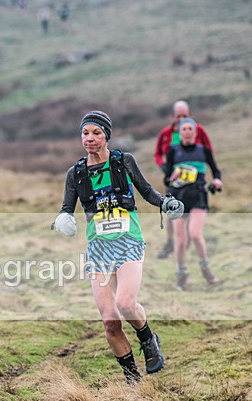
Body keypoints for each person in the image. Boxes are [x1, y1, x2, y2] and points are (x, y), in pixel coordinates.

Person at [53, 111, 184, 384]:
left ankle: (147, 338)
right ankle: (132, 380)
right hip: (98, 249)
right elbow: (67, 208)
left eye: (96, 133)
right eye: (85, 133)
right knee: (110, 322)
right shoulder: (75, 174)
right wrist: (63, 219)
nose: (89, 138)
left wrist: (165, 203)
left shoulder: (123, 161)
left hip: (128, 242)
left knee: (125, 303)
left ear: (107, 136)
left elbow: (146, 191)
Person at [163, 118, 223, 290]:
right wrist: (172, 178)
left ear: (196, 133)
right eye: (184, 129)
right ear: (180, 133)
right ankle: (181, 275)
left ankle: (206, 270)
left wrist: (217, 181)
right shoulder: (173, 151)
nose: (188, 132)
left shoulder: (203, 150)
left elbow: (216, 171)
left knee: (195, 234)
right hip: (179, 198)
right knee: (181, 241)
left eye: (191, 129)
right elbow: (166, 179)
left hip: (198, 196)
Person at [153, 100, 213, 259]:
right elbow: (157, 154)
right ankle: (170, 243)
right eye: (178, 116)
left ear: (190, 115)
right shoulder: (165, 134)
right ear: (172, 116)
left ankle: (187, 243)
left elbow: (208, 151)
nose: (181, 119)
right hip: (174, 181)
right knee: (172, 214)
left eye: (184, 116)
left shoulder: (198, 130)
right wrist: (163, 166)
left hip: (194, 182)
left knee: (190, 216)